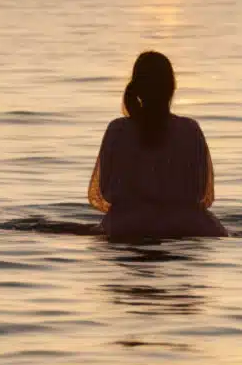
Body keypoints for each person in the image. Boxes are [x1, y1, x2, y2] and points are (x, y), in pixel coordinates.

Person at [88, 51, 227, 241]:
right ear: (172, 87)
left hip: (127, 226)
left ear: (137, 89)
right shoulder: (190, 129)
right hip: (188, 226)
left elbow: (105, 191)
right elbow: (201, 191)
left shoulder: (118, 129)